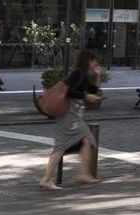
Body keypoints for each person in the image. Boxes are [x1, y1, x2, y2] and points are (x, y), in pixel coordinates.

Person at [39, 49, 102, 190]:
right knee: (62, 146)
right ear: (88, 60)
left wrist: (98, 76)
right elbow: (70, 91)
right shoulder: (78, 73)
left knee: (87, 141)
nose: (96, 63)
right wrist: (86, 97)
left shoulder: (83, 75)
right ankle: (47, 178)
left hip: (74, 115)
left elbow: (92, 91)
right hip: (69, 116)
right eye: (94, 60)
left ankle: (83, 174)